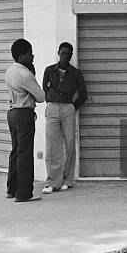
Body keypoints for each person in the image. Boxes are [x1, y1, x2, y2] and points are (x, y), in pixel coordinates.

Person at [42, 42, 87, 193]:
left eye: (68, 54)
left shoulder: (75, 73)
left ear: (71, 55)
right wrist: (51, 102)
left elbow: (83, 94)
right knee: (52, 145)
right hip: (53, 107)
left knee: (70, 144)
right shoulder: (49, 71)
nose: (65, 56)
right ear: (58, 53)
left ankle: (67, 180)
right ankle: (52, 182)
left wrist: (73, 107)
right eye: (63, 53)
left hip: (68, 107)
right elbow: (44, 89)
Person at [5, 39, 45, 202]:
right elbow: (41, 97)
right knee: (25, 153)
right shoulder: (25, 74)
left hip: (12, 113)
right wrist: (33, 75)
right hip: (23, 114)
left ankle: (12, 189)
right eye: (29, 53)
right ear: (21, 56)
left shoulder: (10, 70)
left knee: (16, 151)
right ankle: (24, 194)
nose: (33, 56)